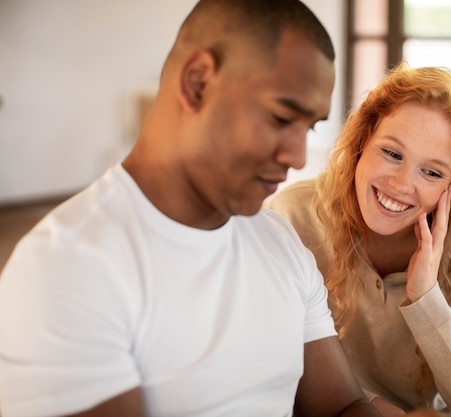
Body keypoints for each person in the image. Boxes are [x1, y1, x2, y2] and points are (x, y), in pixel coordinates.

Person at [0, 1, 424, 416]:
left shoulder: (279, 242)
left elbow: (339, 406)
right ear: (198, 82)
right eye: (280, 118)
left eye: (308, 127)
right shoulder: (65, 267)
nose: (297, 156)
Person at [267, 63, 451, 417]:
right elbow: (262, 356)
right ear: (361, 144)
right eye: (392, 153)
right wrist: (369, 406)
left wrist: (426, 300)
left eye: (431, 172)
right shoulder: (292, 216)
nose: (402, 184)